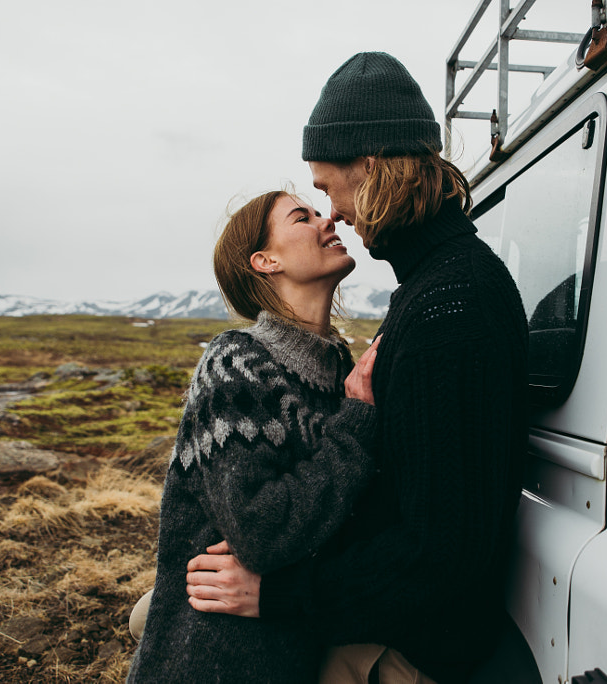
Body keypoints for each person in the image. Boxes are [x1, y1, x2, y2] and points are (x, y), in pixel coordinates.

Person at [186, 52, 528, 684]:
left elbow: (442, 555)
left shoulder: (450, 304)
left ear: (370, 166)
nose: (334, 212)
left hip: (412, 649)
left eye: (326, 188)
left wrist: (279, 596)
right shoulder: (431, 288)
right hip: (391, 624)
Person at [126, 189, 381, 683]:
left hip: (292, 654)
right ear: (265, 261)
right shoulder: (237, 362)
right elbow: (260, 531)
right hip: (210, 662)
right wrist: (356, 428)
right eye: (301, 217)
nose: (328, 220)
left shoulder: (338, 372)